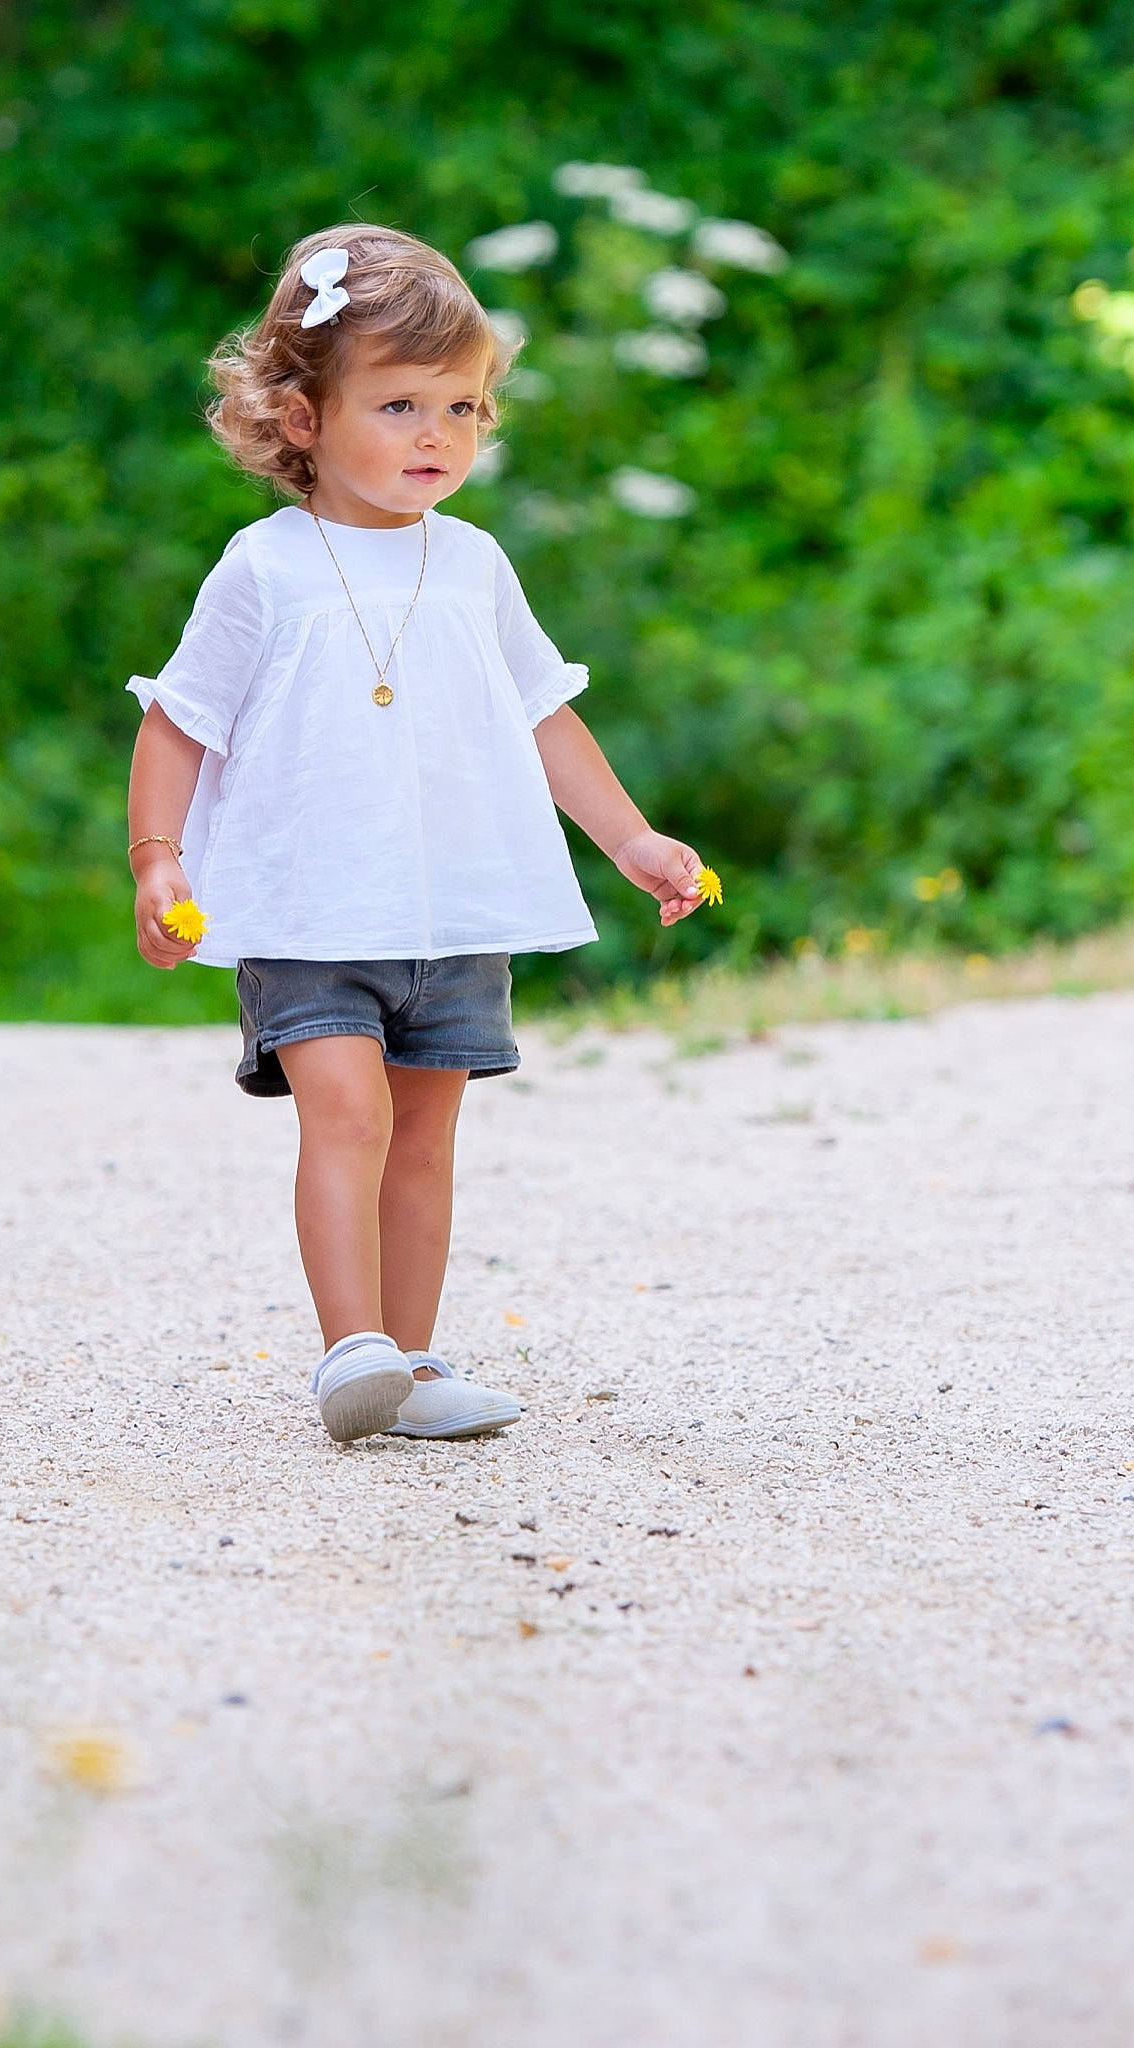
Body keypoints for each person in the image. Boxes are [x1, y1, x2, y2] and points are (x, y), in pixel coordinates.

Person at [125, 223, 707, 1447]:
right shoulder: (263, 569)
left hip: (452, 909)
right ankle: (353, 1349)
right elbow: (181, 723)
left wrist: (635, 839)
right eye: (398, 403)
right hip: (309, 909)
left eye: (465, 405)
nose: (438, 433)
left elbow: (545, 717)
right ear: (300, 416)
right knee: (346, 1113)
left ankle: (415, 1357)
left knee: (426, 1136)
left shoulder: (476, 564)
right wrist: (159, 856)